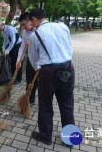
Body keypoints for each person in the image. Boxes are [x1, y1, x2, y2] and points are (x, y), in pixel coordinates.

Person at [28, 8, 75, 147]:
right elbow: (69, 48)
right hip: (67, 69)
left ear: (35, 19)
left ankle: (46, 136)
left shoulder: (35, 35)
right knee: (67, 105)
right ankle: (70, 139)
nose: (32, 24)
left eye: (31, 21)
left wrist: (39, 69)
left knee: (45, 104)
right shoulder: (63, 26)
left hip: (48, 72)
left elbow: (33, 59)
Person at [16, 12, 37, 106]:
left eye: (24, 24)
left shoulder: (39, 30)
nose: (23, 27)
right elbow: (22, 47)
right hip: (31, 59)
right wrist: (18, 60)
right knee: (29, 80)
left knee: (40, 82)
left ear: (31, 21)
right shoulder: (25, 32)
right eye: (21, 25)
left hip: (42, 60)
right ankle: (29, 98)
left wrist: (32, 43)